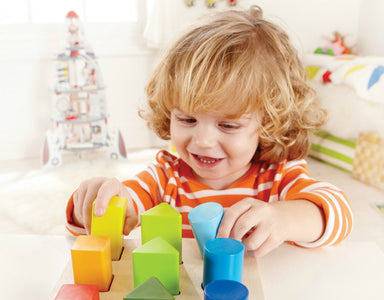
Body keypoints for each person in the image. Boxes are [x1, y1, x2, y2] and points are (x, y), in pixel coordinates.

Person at [66, 6, 353, 257]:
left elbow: (338, 213)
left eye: (228, 125)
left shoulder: (278, 177)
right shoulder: (166, 178)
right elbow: (100, 218)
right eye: (187, 119)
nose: (202, 141)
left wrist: (284, 218)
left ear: (269, 123)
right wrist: (101, 200)